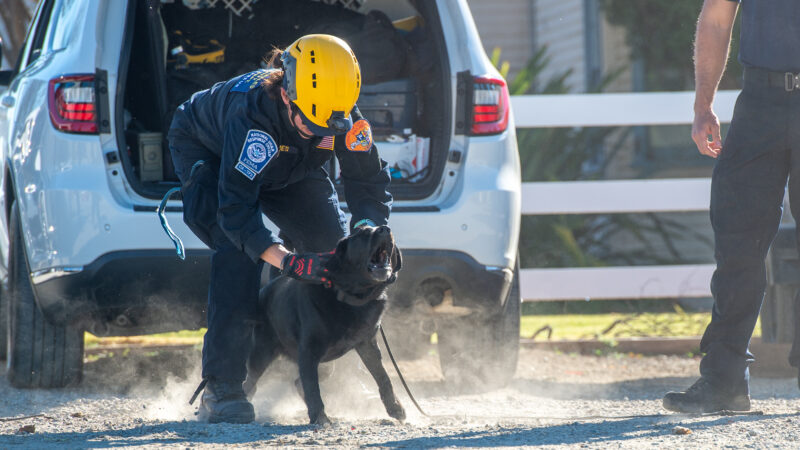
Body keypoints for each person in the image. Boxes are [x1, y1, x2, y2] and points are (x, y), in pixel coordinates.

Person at [166, 34, 392, 423]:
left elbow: (368, 181)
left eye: (328, 127)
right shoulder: (251, 116)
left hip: (289, 168)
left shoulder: (341, 113)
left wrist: (367, 225)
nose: (319, 132)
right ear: (288, 96)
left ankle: (320, 371)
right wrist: (285, 260)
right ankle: (224, 386)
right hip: (211, 153)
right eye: (310, 123)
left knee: (330, 248)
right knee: (237, 253)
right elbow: (236, 209)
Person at [663, 0, 800, 413]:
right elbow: (717, 19)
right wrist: (702, 105)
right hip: (760, 103)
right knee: (737, 240)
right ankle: (724, 383)